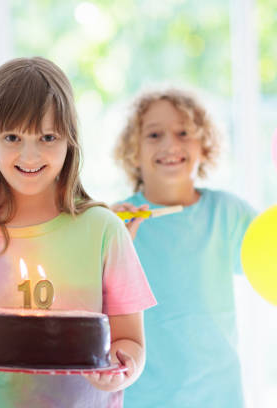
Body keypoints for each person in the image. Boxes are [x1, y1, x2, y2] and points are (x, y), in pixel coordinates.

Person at [0, 57, 156, 408]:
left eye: (47, 137)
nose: (30, 154)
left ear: (70, 140)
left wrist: (121, 367)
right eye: (12, 137)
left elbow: (131, 343)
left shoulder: (104, 231)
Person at [112, 87, 257, 408]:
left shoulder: (228, 213)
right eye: (154, 134)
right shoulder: (118, 223)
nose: (170, 144)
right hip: (140, 396)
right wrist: (106, 243)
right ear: (132, 151)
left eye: (183, 132)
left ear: (204, 147)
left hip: (219, 395)